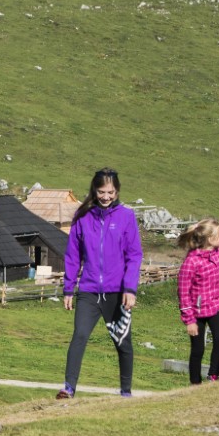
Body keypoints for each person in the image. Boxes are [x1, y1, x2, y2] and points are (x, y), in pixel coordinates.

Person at [57, 168, 142, 398]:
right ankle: (68, 388)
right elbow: (73, 256)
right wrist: (68, 288)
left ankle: (125, 392)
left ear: (117, 191)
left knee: (123, 342)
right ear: (94, 190)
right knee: (79, 336)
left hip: (117, 292)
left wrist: (130, 288)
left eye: (111, 192)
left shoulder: (126, 217)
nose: (106, 197)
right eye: (102, 191)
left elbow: (134, 256)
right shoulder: (82, 217)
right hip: (89, 291)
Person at [176, 217, 219, 385]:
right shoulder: (191, 261)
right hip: (197, 311)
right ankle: (195, 383)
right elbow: (183, 292)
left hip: (217, 305)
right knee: (198, 349)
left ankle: (213, 376)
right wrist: (189, 320)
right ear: (210, 238)